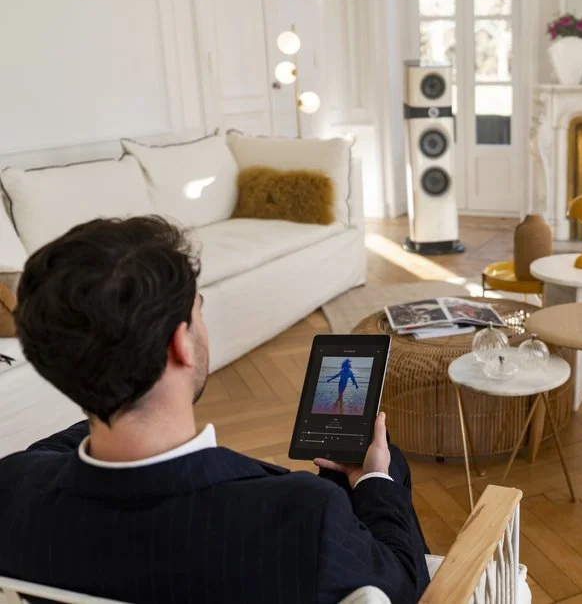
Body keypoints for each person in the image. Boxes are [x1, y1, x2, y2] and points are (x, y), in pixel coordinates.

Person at [0, 217, 430, 603]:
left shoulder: (12, 489)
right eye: (198, 312)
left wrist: (99, 378)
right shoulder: (302, 515)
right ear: (180, 344)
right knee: (388, 463)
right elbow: (403, 585)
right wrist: (374, 480)